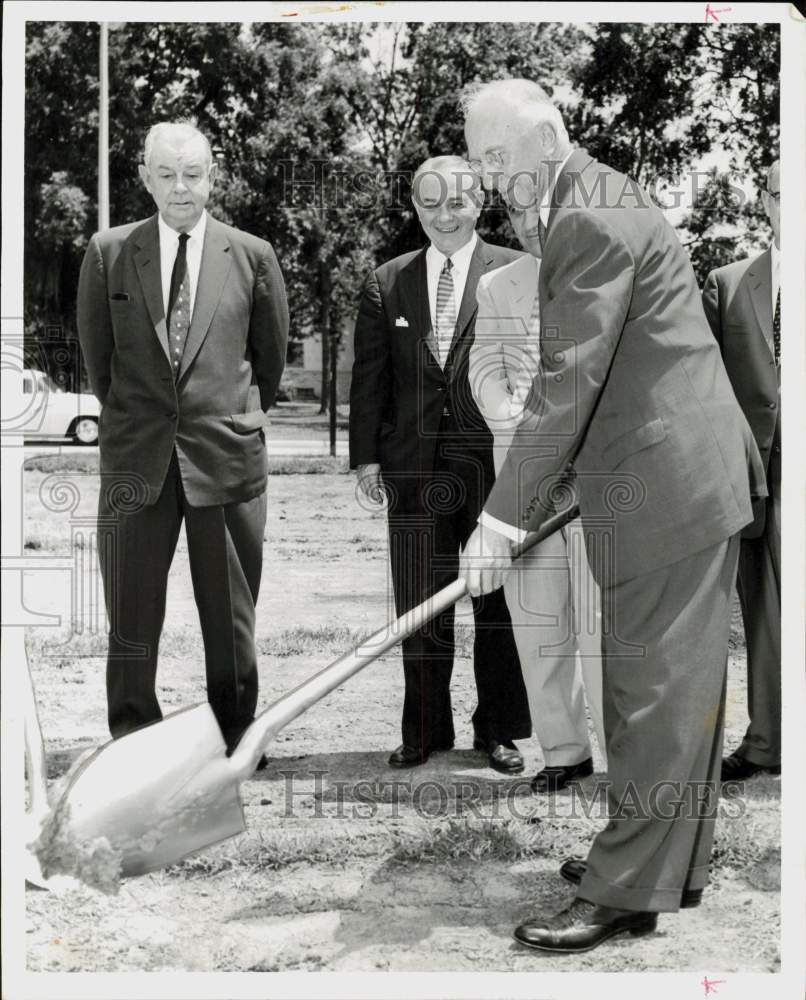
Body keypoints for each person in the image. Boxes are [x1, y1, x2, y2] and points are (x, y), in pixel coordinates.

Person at [458, 79, 766, 953]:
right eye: (479, 158)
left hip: (668, 483)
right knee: (660, 693)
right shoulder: (588, 198)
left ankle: (627, 889)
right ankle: (654, 861)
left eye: (497, 155)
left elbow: (565, 385)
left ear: (548, 138)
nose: (488, 176)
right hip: (658, 475)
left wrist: (500, 522)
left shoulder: (586, 215)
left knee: (654, 695)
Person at [77, 121, 288, 758]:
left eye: (192, 173)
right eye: (165, 174)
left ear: (212, 174)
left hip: (225, 459)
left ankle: (233, 731)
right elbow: (99, 363)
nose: (179, 187)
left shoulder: (253, 256)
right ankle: (134, 735)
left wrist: (227, 417)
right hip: (137, 460)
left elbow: (268, 362)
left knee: (229, 617)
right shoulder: (108, 252)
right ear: (143, 177)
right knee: (132, 615)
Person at [349, 155, 531, 772]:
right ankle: (423, 730)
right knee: (418, 607)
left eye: (456, 202)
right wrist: (367, 458)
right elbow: (371, 378)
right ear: (415, 208)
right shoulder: (388, 280)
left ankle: (499, 731)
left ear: (478, 202)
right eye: (430, 204)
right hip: (414, 474)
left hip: (493, 467)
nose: (443, 216)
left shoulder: (516, 270)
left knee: (497, 607)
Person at [470, 198, 606, 793]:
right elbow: (483, 369)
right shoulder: (498, 286)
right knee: (539, 619)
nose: (529, 227)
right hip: (524, 480)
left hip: (596, 478)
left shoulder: (602, 271)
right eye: (519, 217)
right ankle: (564, 751)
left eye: (540, 216)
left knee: (602, 629)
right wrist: (518, 427)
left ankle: (624, 760)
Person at [702, 160, 782, 782]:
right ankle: (766, 744)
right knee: (763, 610)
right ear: (764, 199)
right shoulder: (728, 282)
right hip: (756, 471)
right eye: (783, 195)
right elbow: (701, 381)